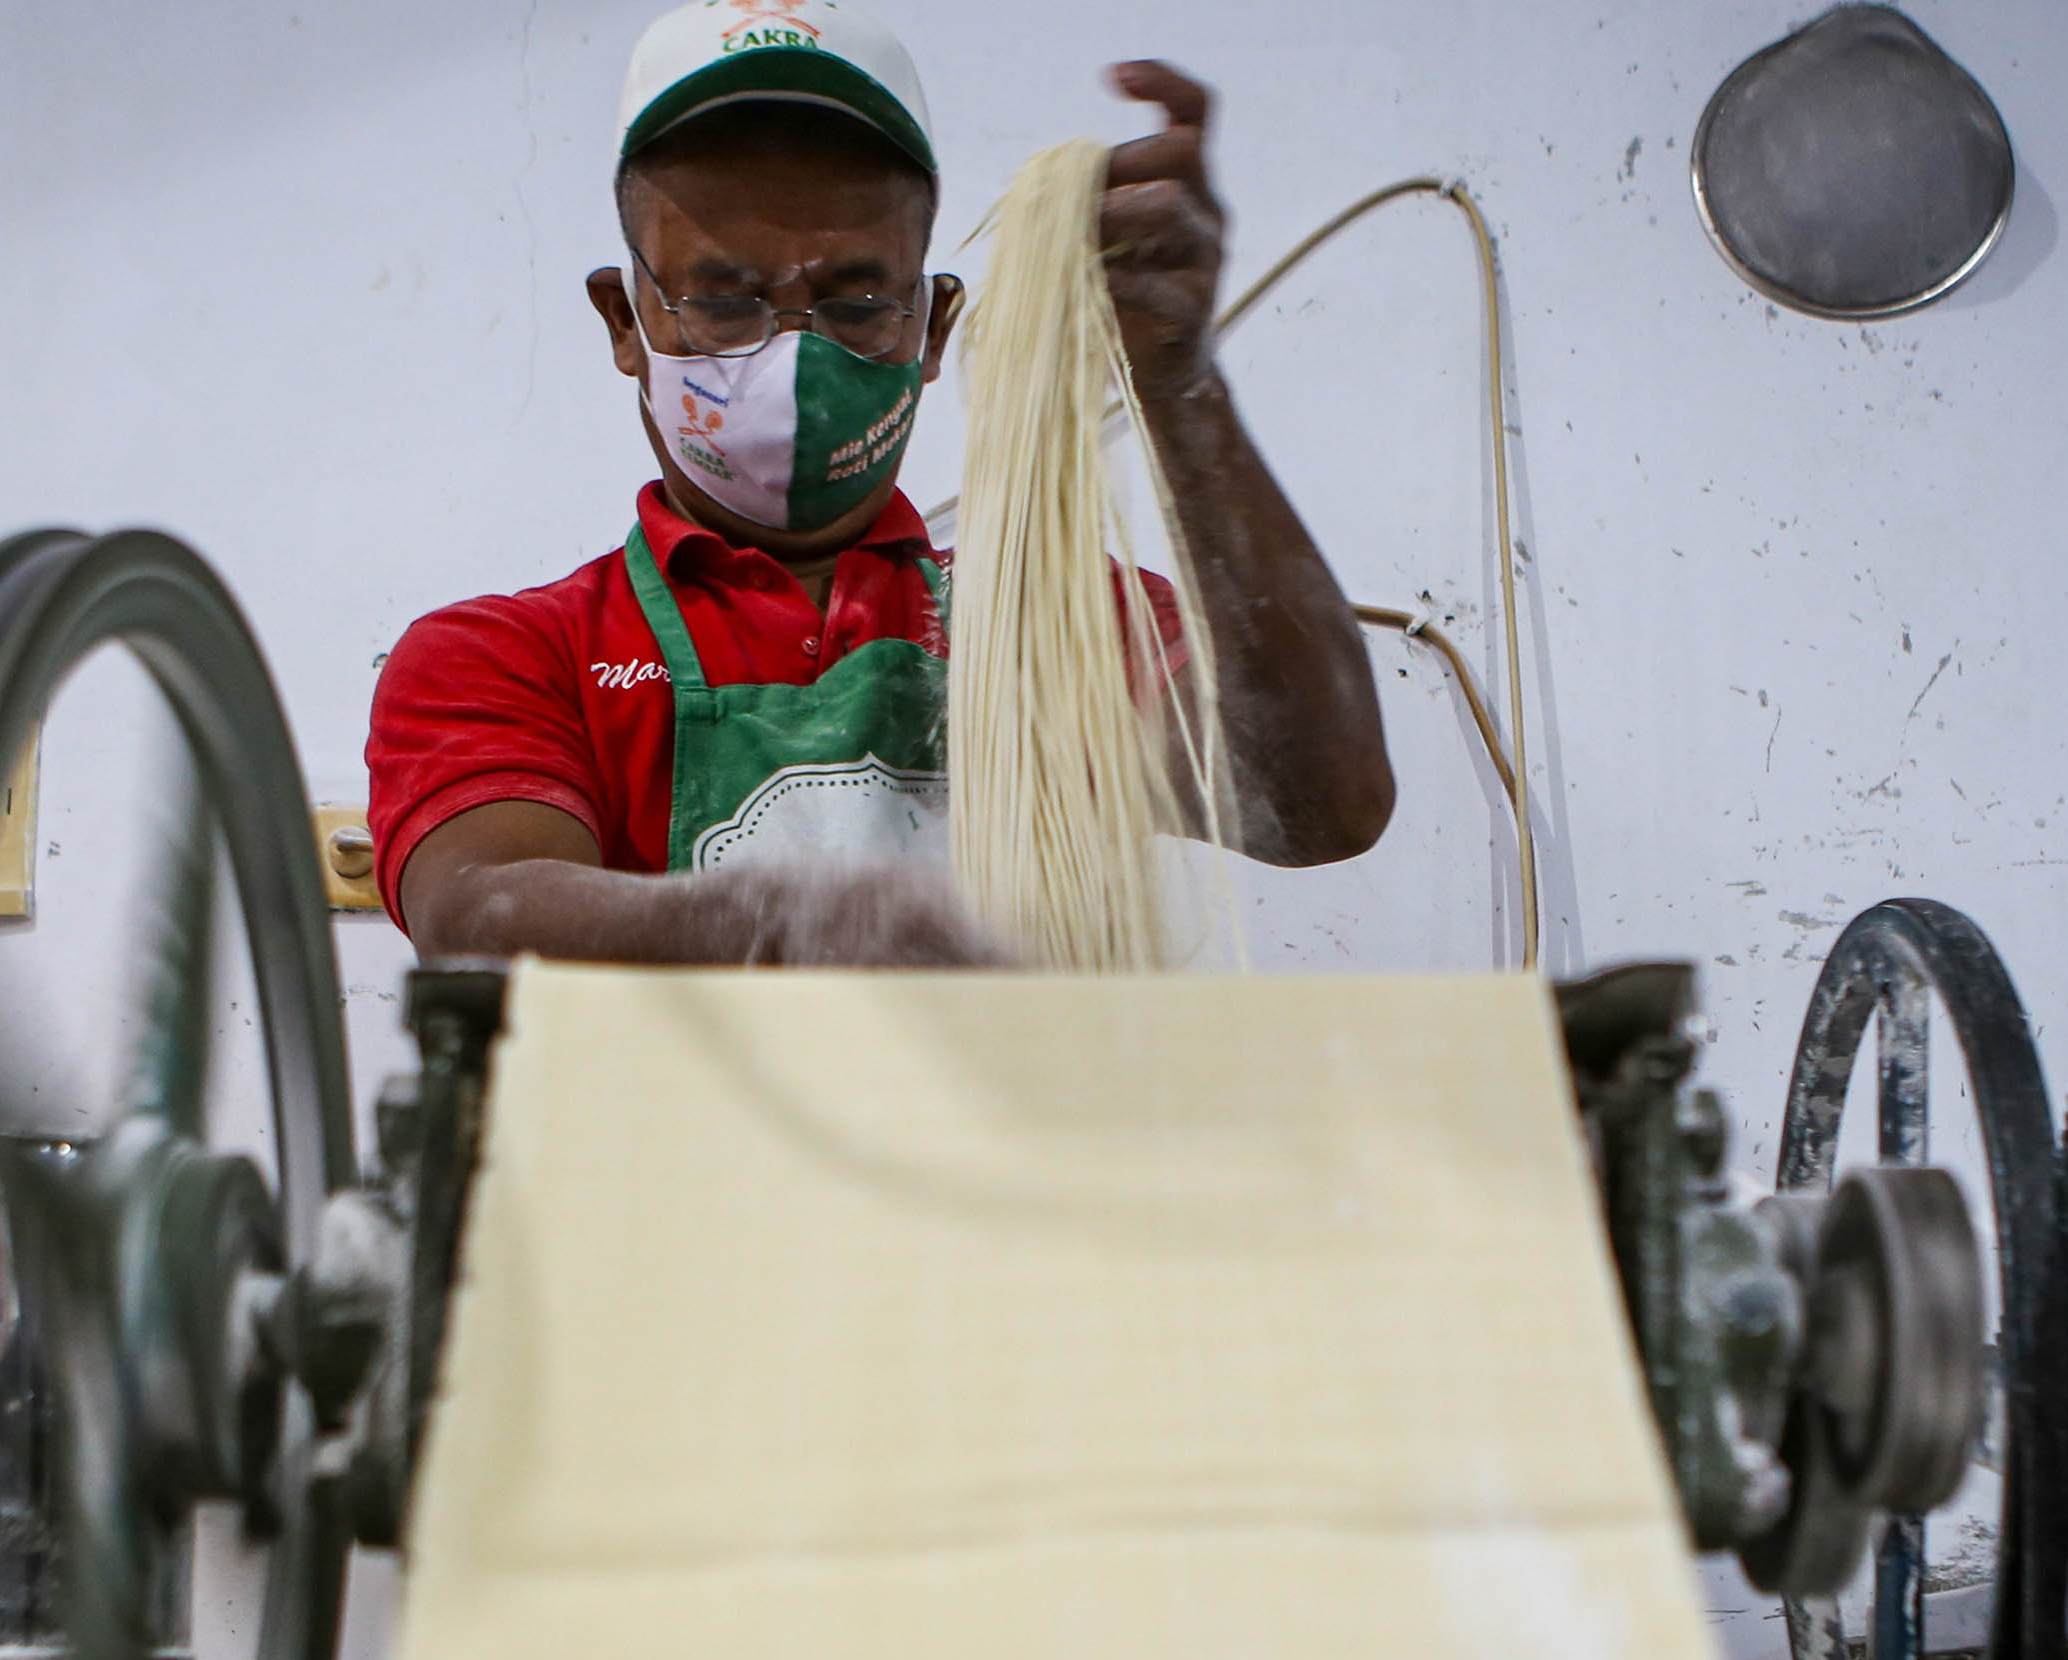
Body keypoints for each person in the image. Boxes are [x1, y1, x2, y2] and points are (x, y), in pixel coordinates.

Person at [364, 0, 1391, 966]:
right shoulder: (510, 655)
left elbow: (1316, 800)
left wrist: (1181, 383)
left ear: (933, 329)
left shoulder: (1053, 626)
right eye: (724, 300)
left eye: (858, 304)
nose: (797, 360)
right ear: (627, 324)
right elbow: (479, 918)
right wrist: (783, 915)